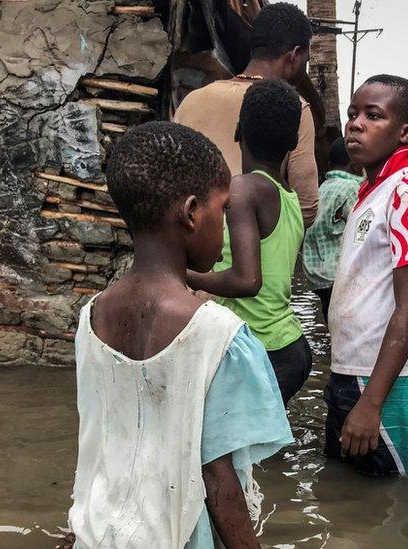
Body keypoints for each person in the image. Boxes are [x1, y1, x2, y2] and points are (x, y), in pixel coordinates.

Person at [67, 122, 293, 549]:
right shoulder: (219, 336)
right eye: (223, 210)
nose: (226, 225)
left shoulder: (91, 318)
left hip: (98, 533)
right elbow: (218, 478)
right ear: (191, 213)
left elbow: (97, 443)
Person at [324, 75, 408, 477]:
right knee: (347, 496)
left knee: (385, 500)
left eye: (372, 116)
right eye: (352, 114)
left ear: (405, 133)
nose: (355, 124)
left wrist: (373, 402)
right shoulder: (369, 194)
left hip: (387, 381)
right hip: (352, 368)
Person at [187, 79, 310, 406]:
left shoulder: (242, 189)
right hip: (288, 346)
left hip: (262, 348)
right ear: (294, 140)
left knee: (228, 453)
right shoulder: (289, 196)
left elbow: (247, 280)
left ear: (239, 131)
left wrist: (183, 275)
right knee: (256, 452)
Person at [174, 2, 319, 227]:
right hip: (256, 253)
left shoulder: (192, 100)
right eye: (306, 61)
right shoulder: (294, 108)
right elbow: (306, 208)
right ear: (295, 55)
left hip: (192, 246)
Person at [302, 137, 364, 322]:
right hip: (338, 274)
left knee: (332, 318)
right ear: (355, 166)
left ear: (330, 165)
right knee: (349, 324)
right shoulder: (353, 188)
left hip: (316, 276)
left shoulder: (320, 189)